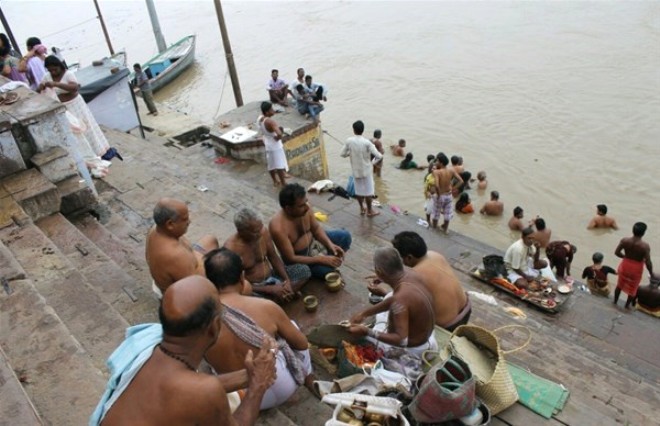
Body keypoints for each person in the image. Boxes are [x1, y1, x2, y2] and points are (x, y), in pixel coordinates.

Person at [92, 275, 277, 426]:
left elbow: (182, 389)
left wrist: (249, 375)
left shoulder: (147, 343)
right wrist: (257, 386)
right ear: (214, 327)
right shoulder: (204, 390)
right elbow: (200, 391)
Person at [203, 248, 316, 410]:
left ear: (209, 283)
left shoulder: (200, 322)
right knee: (291, 327)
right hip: (284, 386)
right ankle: (308, 375)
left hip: (245, 400)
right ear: (242, 278)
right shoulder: (267, 307)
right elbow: (302, 344)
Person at [348, 247, 437, 356]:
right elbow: (395, 300)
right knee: (390, 296)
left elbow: (401, 340)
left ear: (379, 271)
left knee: (361, 337)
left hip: (414, 349)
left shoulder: (399, 300)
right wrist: (365, 314)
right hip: (427, 336)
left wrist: (367, 332)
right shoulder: (412, 273)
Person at [37, 55, 116, 176]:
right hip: (64, 109)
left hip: (75, 105)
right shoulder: (47, 77)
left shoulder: (68, 74)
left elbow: (75, 88)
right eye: (50, 70)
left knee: (87, 127)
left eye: (55, 69)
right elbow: (39, 90)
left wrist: (56, 84)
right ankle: (87, 156)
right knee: (77, 133)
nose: (53, 72)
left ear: (60, 66)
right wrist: (42, 86)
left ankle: (99, 151)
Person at [224, 208, 311, 302]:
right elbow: (237, 285)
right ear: (241, 231)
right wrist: (269, 289)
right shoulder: (230, 250)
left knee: (304, 270)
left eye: (260, 228)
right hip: (256, 287)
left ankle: (282, 294)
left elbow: (273, 256)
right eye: (255, 232)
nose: (260, 233)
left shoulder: (263, 232)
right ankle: (284, 295)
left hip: (273, 276)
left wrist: (287, 281)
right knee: (247, 296)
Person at [390, 232, 471, 332]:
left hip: (450, 325)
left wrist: (382, 293)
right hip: (466, 309)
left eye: (400, 258)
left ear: (409, 257)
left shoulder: (414, 277)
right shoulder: (435, 255)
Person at [269, 183, 352, 280]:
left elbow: (316, 229)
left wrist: (330, 245)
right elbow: (291, 258)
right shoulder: (277, 227)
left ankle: (330, 257)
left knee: (345, 236)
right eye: (301, 206)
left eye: (306, 202)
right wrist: (319, 259)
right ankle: (327, 261)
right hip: (302, 258)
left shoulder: (305, 208)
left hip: (314, 241)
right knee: (327, 272)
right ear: (288, 208)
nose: (307, 207)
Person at [145, 198, 220, 297]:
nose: (189, 222)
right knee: (243, 285)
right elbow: (196, 289)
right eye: (185, 219)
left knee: (210, 240)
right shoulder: (174, 255)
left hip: (190, 266)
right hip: (185, 295)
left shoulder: (156, 229)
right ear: (170, 224)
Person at [340, 120, 383, 217]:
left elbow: (342, 154)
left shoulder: (349, 141)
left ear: (354, 130)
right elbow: (379, 156)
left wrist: (349, 153)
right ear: (363, 130)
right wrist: (372, 163)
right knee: (369, 192)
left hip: (356, 171)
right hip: (367, 171)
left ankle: (362, 208)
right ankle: (370, 211)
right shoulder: (367, 143)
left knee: (359, 191)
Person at [614, 222, 653, 309]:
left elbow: (616, 252)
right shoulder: (645, 246)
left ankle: (615, 302)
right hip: (636, 268)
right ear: (643, 233)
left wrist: (625, 257)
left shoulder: (625, 240)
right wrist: (651, 273)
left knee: (620, 284)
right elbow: (648, 262)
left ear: (633, 230)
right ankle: (626, 306)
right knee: (633, 289)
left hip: (625, 265)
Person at [258, 101, 288, 187]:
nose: (273, 110)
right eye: (271, 109)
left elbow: (261, 128)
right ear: (267, 112)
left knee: (271, 164)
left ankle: (275, 181)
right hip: (275, 146)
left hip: (267, 143)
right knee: (279, 165)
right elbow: (279, 134)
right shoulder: (270, 122)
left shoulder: (260, 118)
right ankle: (283, 183)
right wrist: (278, 137)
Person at [432, 153, 462, 232]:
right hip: (448, 195)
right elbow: (461, 181)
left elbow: (437, 186)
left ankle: (434, 228)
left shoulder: (436, 172)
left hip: (440, 195)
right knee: (447, 214)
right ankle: (445, 229)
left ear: (441, 163)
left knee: (436, 213)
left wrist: (438, 195)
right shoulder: (451, 170)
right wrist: (452, 189)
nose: (436, 162)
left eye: (437, 161)